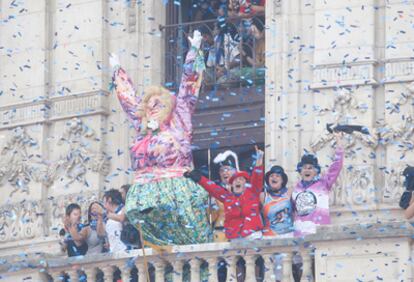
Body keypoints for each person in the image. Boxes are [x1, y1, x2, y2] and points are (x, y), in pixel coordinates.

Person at [110, 30, 211, 246]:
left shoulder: (179, 119)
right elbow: (128, 99)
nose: (152, 108)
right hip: (146, 191)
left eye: (158, 104)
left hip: (175, 188)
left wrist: (193, 52)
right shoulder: (143, 126)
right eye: (149, 104)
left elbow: (188, 87)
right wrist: (117, 72)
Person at [185, 146, 264, 240]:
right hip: (235, 239)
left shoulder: (252, 193)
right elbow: (211, 187)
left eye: (241, 179)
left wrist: (259, 161)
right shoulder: (227, 197)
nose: (238, 181)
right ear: (231, 183)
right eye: (235, 180)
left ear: (245, 183)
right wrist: (196, 176)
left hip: (253, 236)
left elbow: (257, 178)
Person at [292, 132, 344, 237]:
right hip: (299, 234)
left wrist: (339, 143)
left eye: (310, 168)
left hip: (318, 233)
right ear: (300, 171)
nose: (307, 170)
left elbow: (337, 166)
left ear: (316, 171)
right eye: (304, 167)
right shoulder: (295, 189)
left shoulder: (323, 184)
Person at [261, 165, 294, 238]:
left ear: (282, 180)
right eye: (271, 176)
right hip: (269, 236)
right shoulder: (263, 196)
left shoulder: (289, 193)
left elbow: (294, 214)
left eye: (277, 176)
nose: (274, 177)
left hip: (289, 235)